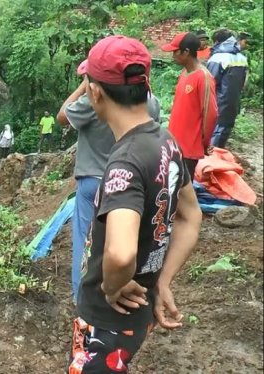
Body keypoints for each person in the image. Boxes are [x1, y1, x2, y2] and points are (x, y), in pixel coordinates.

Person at [68, 35, 203, 374]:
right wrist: (162, 281)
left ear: (95, 92)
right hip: (138, 313)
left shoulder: (124, 164)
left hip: (107, 320)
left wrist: (112, 285)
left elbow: (121, 253)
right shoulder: (165, 139)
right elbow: (190, 216)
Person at [57, 60, 161, 302]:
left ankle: (82, 299)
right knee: (125, 239)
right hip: (131, 181)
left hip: (93, 181)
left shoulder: (91, 105)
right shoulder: (150, 103)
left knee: (86, 242)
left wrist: (84, 87)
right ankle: (129, 289)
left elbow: (62, 116)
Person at [162, 32, 218, 175]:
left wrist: (204, 143)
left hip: (188, 148)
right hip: (174, 143)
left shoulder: (203, 77)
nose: (173, 55)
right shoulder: (184, 74)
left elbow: (210, 114)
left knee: (182, 189)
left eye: (175, 51)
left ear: (186, 52)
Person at [207, 29, 248, 148]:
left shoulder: (218, 58)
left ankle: (210, 161)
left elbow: (209, 82)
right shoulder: (242, 58)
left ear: (217, 41)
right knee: (224, 131)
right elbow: (243, 83)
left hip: (217, 103)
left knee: (214, 132)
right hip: (234, 102)